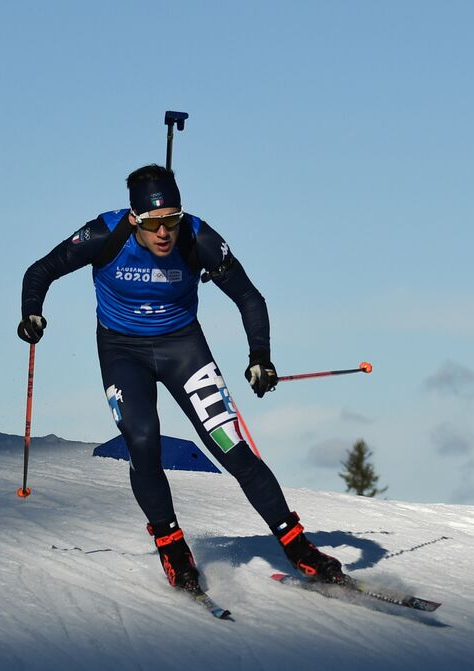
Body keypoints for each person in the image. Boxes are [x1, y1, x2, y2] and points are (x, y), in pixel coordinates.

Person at [18, 164, 344, 594]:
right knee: (143, 441)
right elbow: (40, 270)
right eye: (154, 224)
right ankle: (172, 546)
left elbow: (249, 296)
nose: (165, 233)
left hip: (182, 348)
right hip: (122, 351)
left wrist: (260, 356)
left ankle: (298, 546)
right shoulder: (104, 234)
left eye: (172, 220)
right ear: (135, 218)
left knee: (230, 446)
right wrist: (31, 312)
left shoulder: (198, 237)